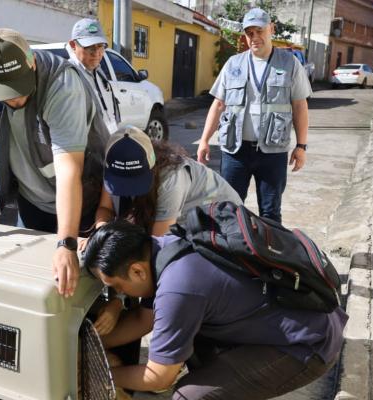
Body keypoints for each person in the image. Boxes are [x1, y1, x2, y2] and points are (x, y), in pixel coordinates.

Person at [82, 221, 348, 399]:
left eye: (117, 286)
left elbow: (157, 376)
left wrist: (102, 374)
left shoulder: (178, 288)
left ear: (136, 271)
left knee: (188, 395)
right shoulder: (166, 246)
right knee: (191, 349)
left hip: (307, 347)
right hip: (302, 319)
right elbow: (144, 318)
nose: (120, 295)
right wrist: (89, 346)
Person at [0, 28, 110, 298]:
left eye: (19, 86)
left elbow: (69, 168)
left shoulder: (62, 83)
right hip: (31, 198)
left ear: (31, 61)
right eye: (4, 91)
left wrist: (67, 243)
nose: (15, 98)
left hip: (83, 200)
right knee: (30, 282)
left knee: (84, 288)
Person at [196, 8, 311, 224]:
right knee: (229, 210)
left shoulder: (289, 64)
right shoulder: (234, 64)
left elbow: (299, 106)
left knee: (270, 213)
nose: (255, 37)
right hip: (235, 151)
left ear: (271, 29)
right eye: (250, 33)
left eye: (259, 31)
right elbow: (218, 104)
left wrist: (301, 146)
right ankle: (233, 256)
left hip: (272, 152)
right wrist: (204, 140)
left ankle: (269, 256)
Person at [94, 126, 242, 236]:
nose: (128, 189)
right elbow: (105, 209)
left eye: (135, 179)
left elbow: (157, 242)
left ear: (151, 165)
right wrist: (101, 235)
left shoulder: (171, 179)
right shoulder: (113, 167)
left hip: (224, 224)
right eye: (122, 180)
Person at [67, 18, 120, 134]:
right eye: (89, 47)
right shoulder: (68, 78)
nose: (96, 53)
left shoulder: (99, 71)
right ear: (73, 45)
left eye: (100, 46)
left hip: (107, 144)